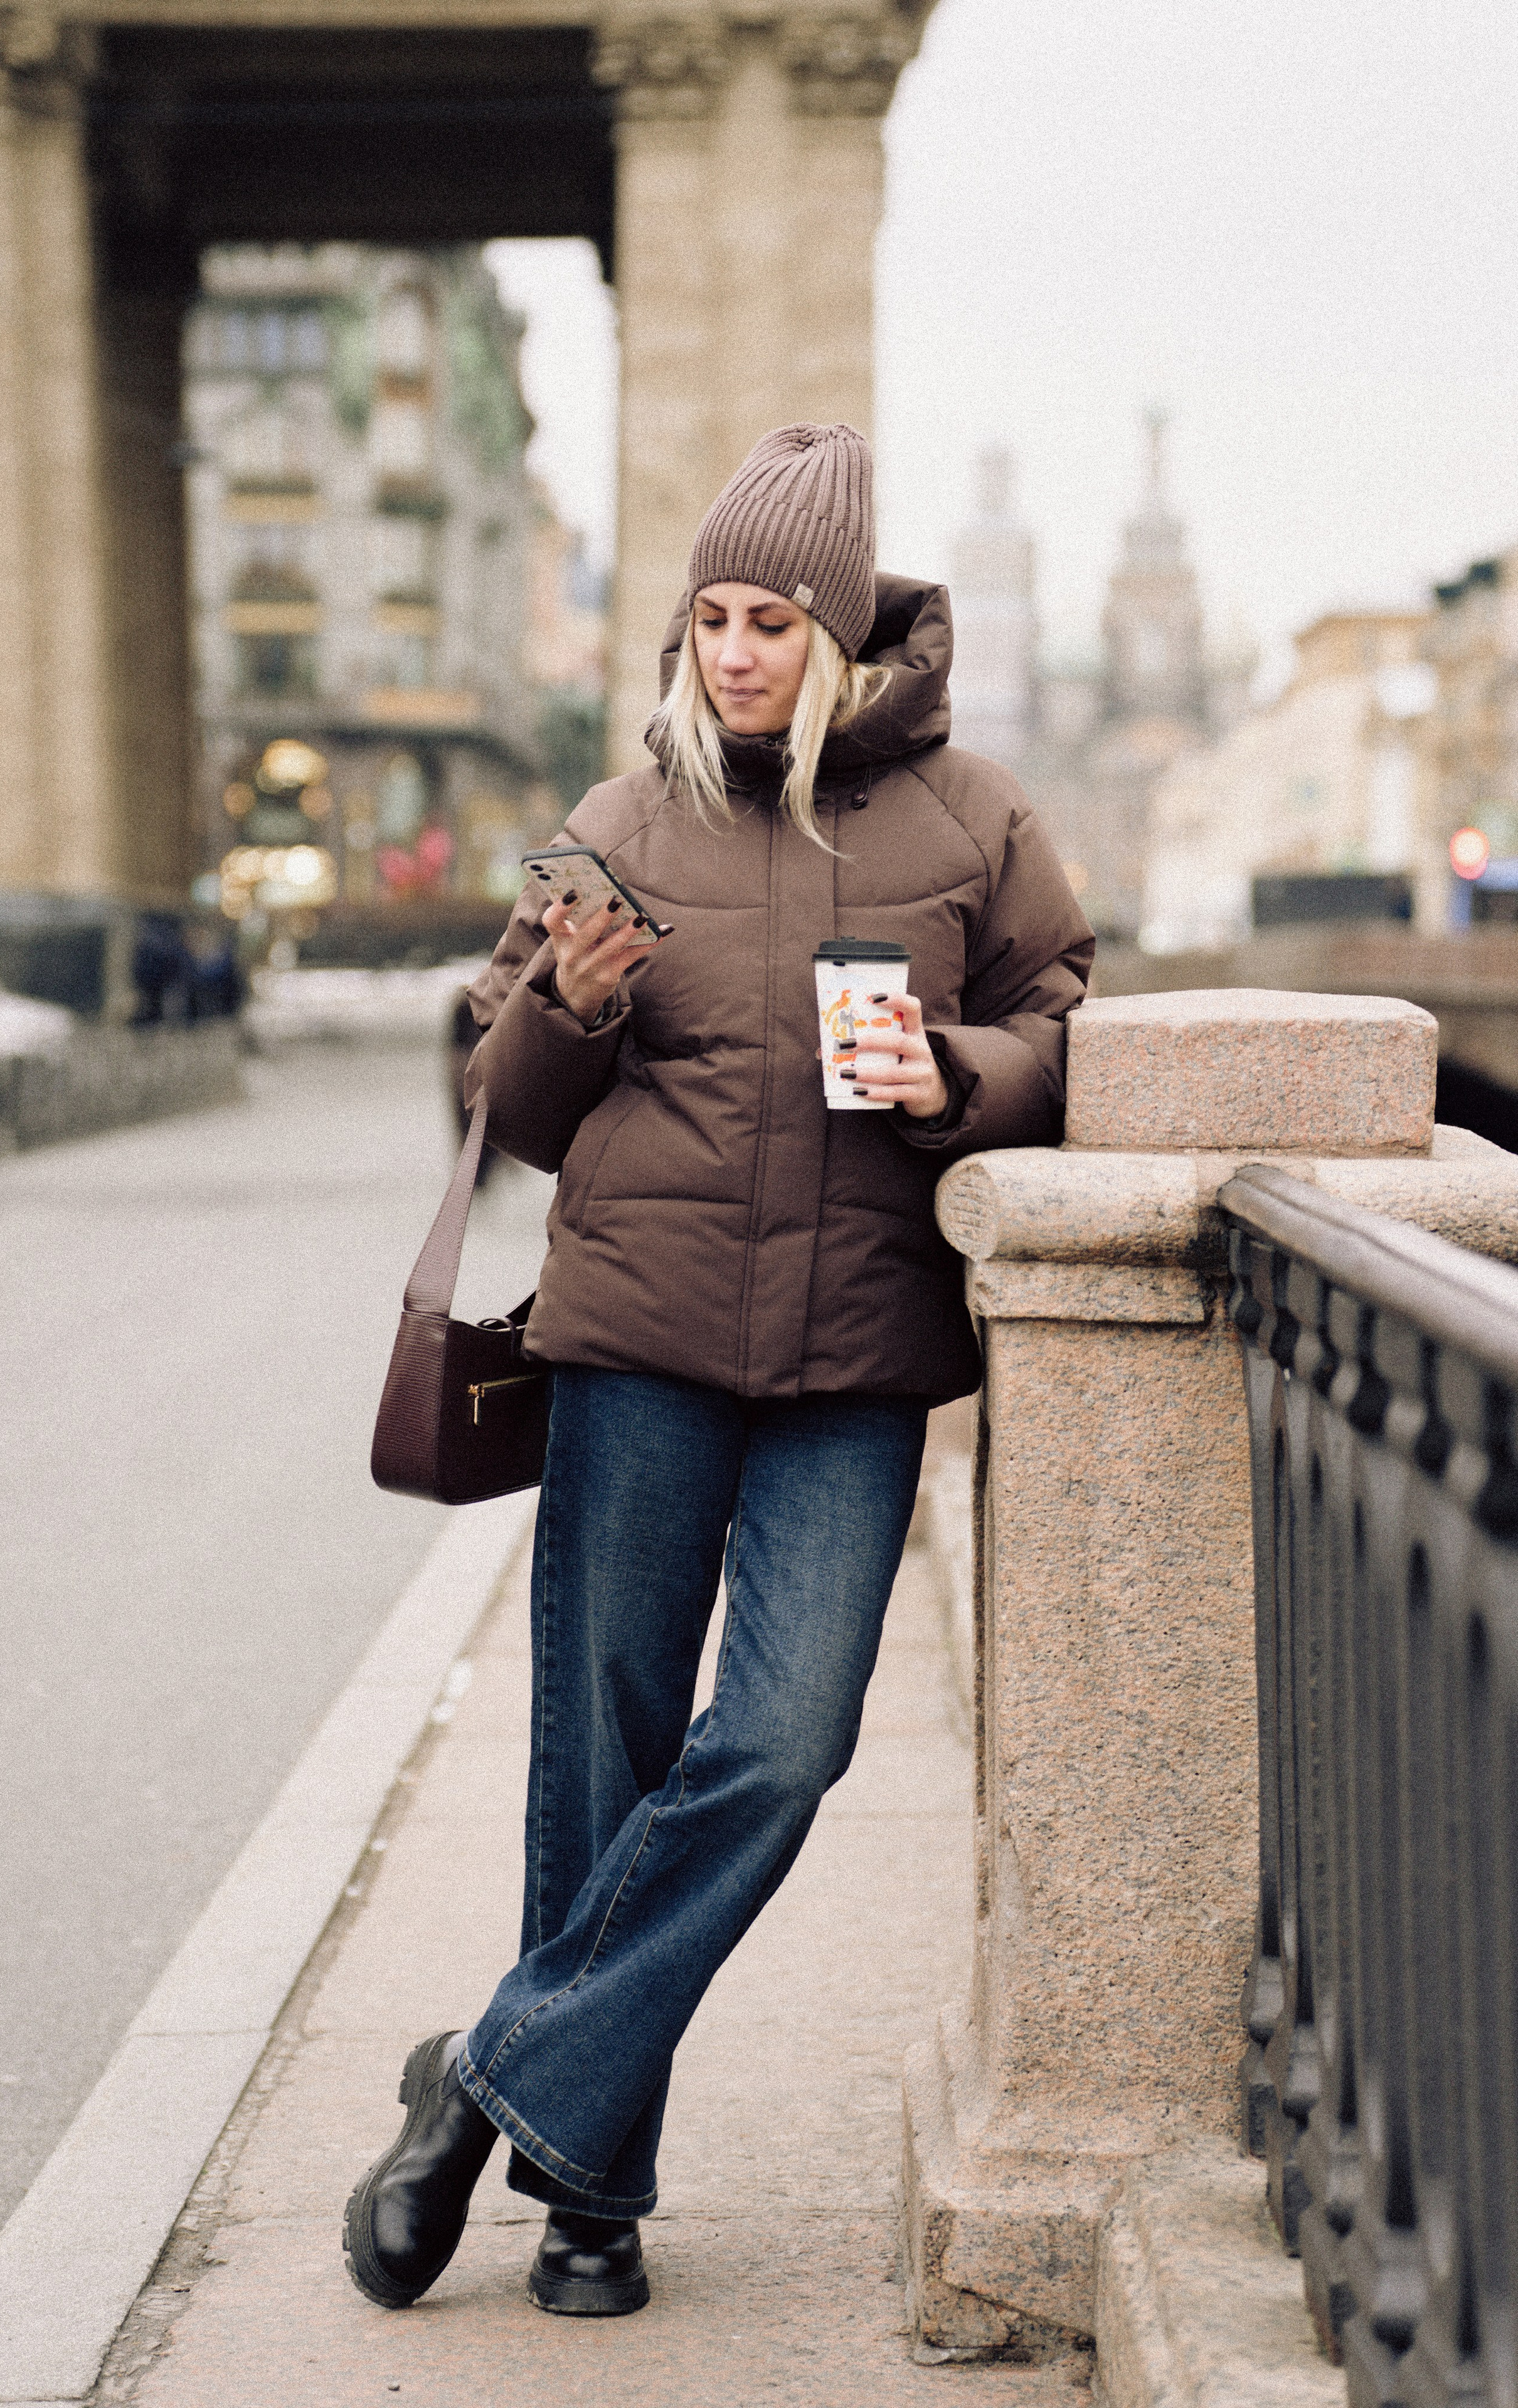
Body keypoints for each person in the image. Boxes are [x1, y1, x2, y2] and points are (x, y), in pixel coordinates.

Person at [343, 423, 1094, 2321]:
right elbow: (505, 1112)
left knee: (781, 1741)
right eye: (710, 618)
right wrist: (563, 1006)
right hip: (643, 1348)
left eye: (771, 619)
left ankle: (486, 2079)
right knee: (605, 1758)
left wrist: (962, 1074)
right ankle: (595, 2198)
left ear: (839, 636)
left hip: (856, 1360)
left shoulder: (971, 823)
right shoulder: (618, 821)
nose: (735, 652)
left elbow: (1065, 1023)